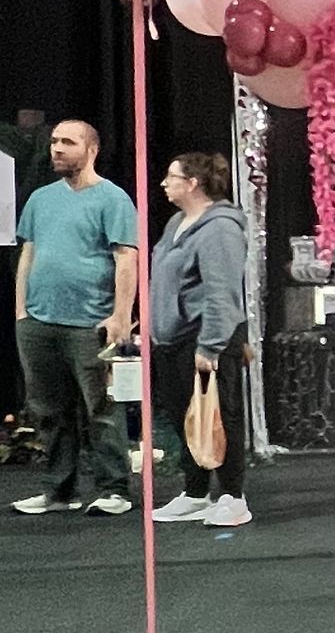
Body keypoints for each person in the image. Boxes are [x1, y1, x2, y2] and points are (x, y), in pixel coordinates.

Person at [12, 119, 138, 515]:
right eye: (54, 141)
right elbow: (28, 253)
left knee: (101, 411)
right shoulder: (41, 199)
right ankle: (60, 491)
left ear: (91, 150)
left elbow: (126, 259)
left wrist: (121, 315)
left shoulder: (113, 199)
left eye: (68, 142)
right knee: (48, 410)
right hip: (39, 322)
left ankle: (114, 490)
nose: (57, 149)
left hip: (90, 323)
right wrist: (21, 310)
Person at [149, 151, 252, 527]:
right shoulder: (177, 222)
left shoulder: (220, 228)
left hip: (206, 337)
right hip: (173, 339)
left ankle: (233, 497)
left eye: (172, 177)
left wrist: (210, 346)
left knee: (219, 416)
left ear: (193, 183)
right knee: (186, 418)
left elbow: (221, 290)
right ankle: (195, 493)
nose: (164, 183)